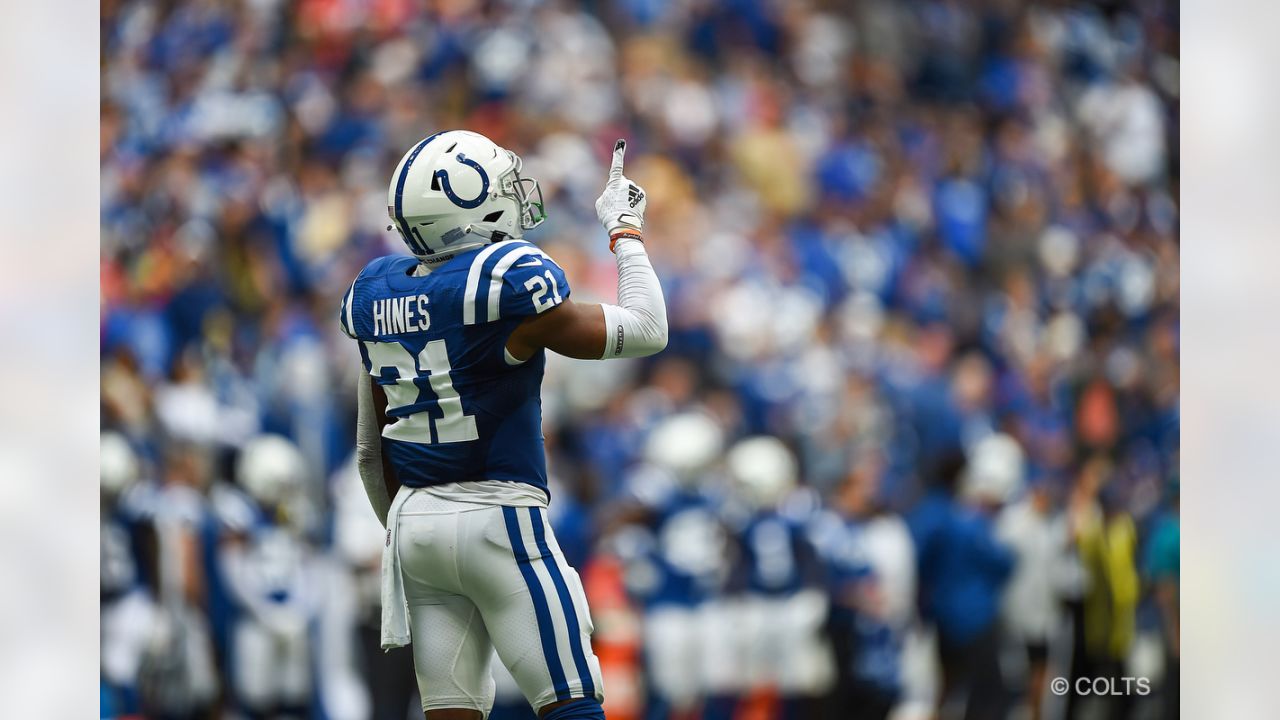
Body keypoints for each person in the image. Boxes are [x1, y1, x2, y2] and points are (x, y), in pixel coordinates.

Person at [339, 130, 668, 720]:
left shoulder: (373, 291)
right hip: (499, 514)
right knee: (572, 701)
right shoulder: (504, 278)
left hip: (414, 525)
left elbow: (371, 451)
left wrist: (408, 525)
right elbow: (647, 328)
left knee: (450, 710)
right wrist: (625, 232)